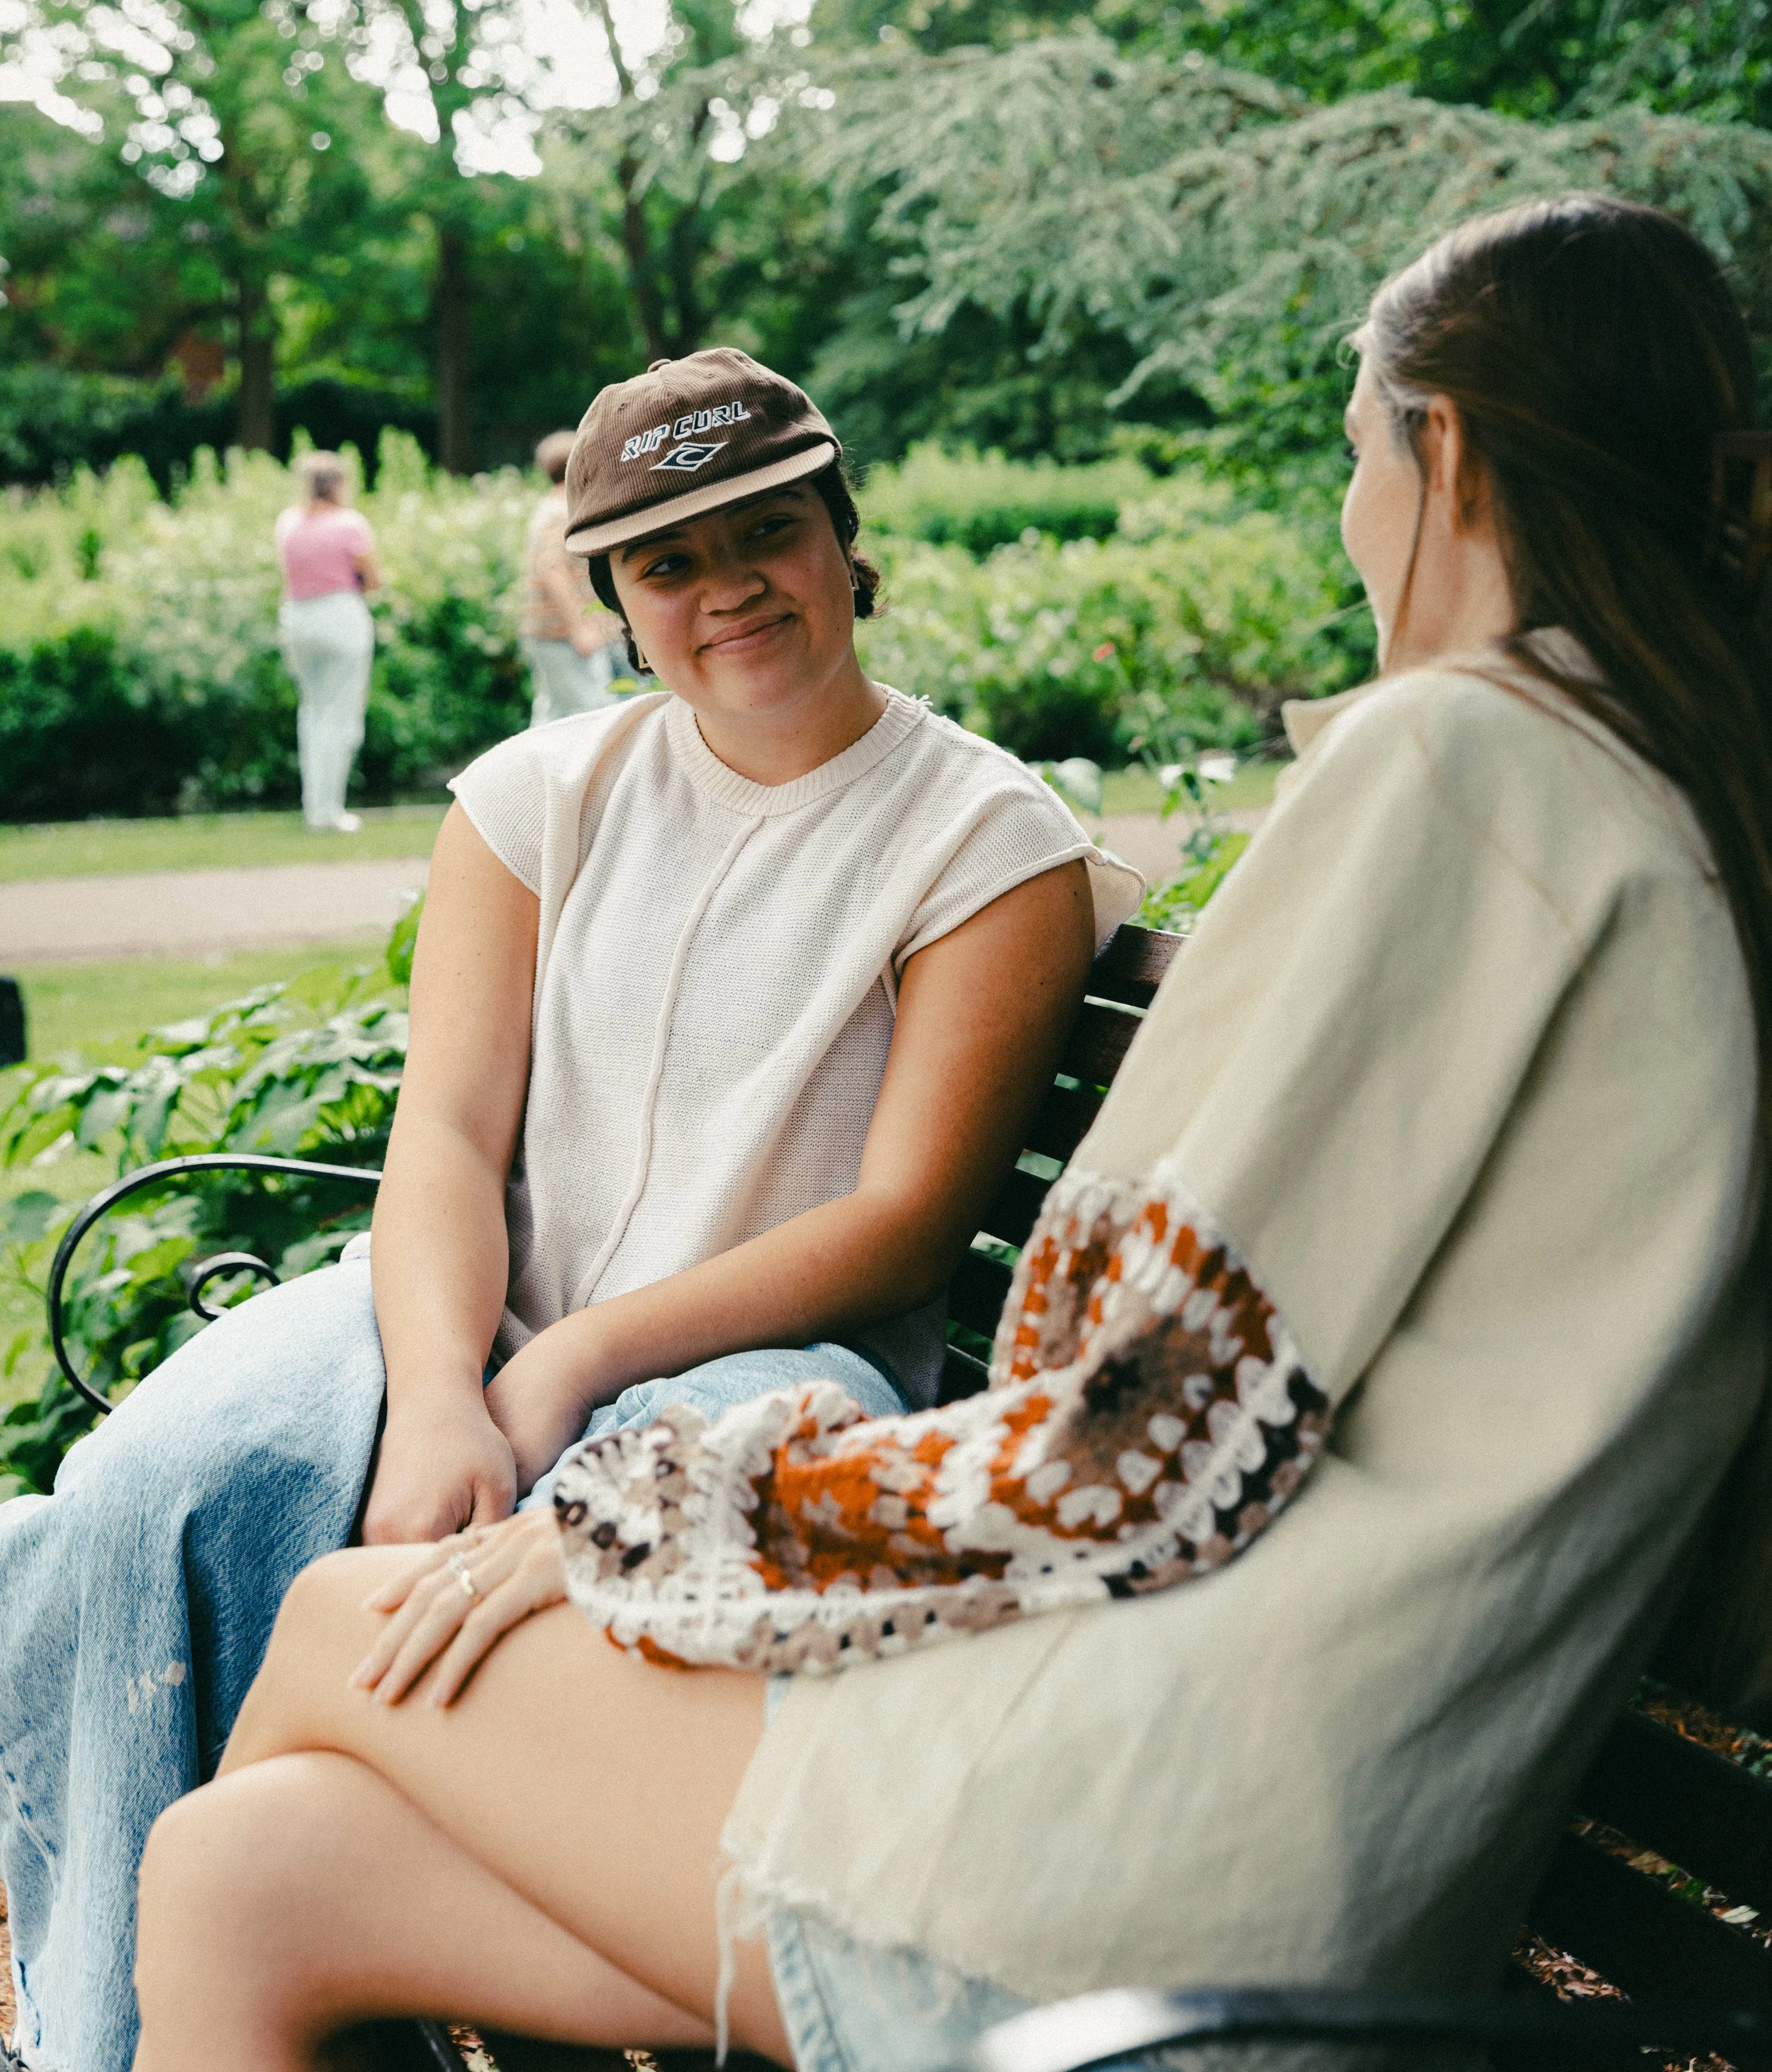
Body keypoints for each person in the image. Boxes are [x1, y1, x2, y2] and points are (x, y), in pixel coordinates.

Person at [134, 194, 1772, 2072]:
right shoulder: (1686, 789)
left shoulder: (1465, 764)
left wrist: (661, 1515)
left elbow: (1134, 1441)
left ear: (1444, 449)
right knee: (248, 1876)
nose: (1349, 515)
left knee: (351, 1616)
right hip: (1296, 1827)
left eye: (1347, 453)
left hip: (1121, 1860)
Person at [0, 349, 1137, 2072]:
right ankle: (111, 2031)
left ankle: (268, 1974)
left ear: (844, 538)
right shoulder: (536, 799)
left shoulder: (983, 839)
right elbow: (448, 1138)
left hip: (761, 1383)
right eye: (667, 559)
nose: (726, 585)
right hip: (486, 1299)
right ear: (611, 596)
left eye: (766, 528)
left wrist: (572, 1362)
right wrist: (451, 1379)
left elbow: (905, 1220)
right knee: (161, 1488)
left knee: (464, 1591)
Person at [274, 450, 381, 834]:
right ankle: (330, 809)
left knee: (313, 712)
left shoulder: (287, 523)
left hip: (297, 617)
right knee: (341, 716)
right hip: (340, 617)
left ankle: (313, 807)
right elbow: (373, 579)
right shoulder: (350, 524)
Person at [520, 430, 628, 725]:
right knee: (591, 715)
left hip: (549, 633)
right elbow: (552, 567)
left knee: (555, 715)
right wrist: (579, 626)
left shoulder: (549, 508)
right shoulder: (561, 511)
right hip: (560, 635)